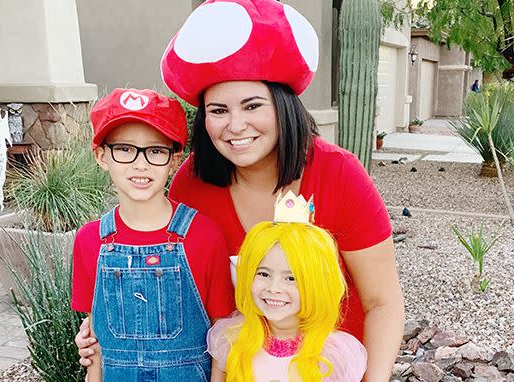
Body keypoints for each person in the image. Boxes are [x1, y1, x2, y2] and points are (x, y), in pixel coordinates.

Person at [77, 1, 404, 380]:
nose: (235, 125)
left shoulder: (340, 175)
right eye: (218, 110)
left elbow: (383, 302)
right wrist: (106, 334)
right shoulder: (191, 185)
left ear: (283, 106)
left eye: (252, 106)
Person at [71, 88, 235, 381]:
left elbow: (222, 332)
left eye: (156, 151)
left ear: (174, 160)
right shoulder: (90, 240)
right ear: (101, 155)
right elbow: (94, 341)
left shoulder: (203, 234)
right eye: (124, 149)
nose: (140, 163)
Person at [208, 191, 367, 381]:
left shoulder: (334, 354)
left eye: (291, 278)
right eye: (263, 274)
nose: (274, 288)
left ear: (319, 284)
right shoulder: (231, 341)